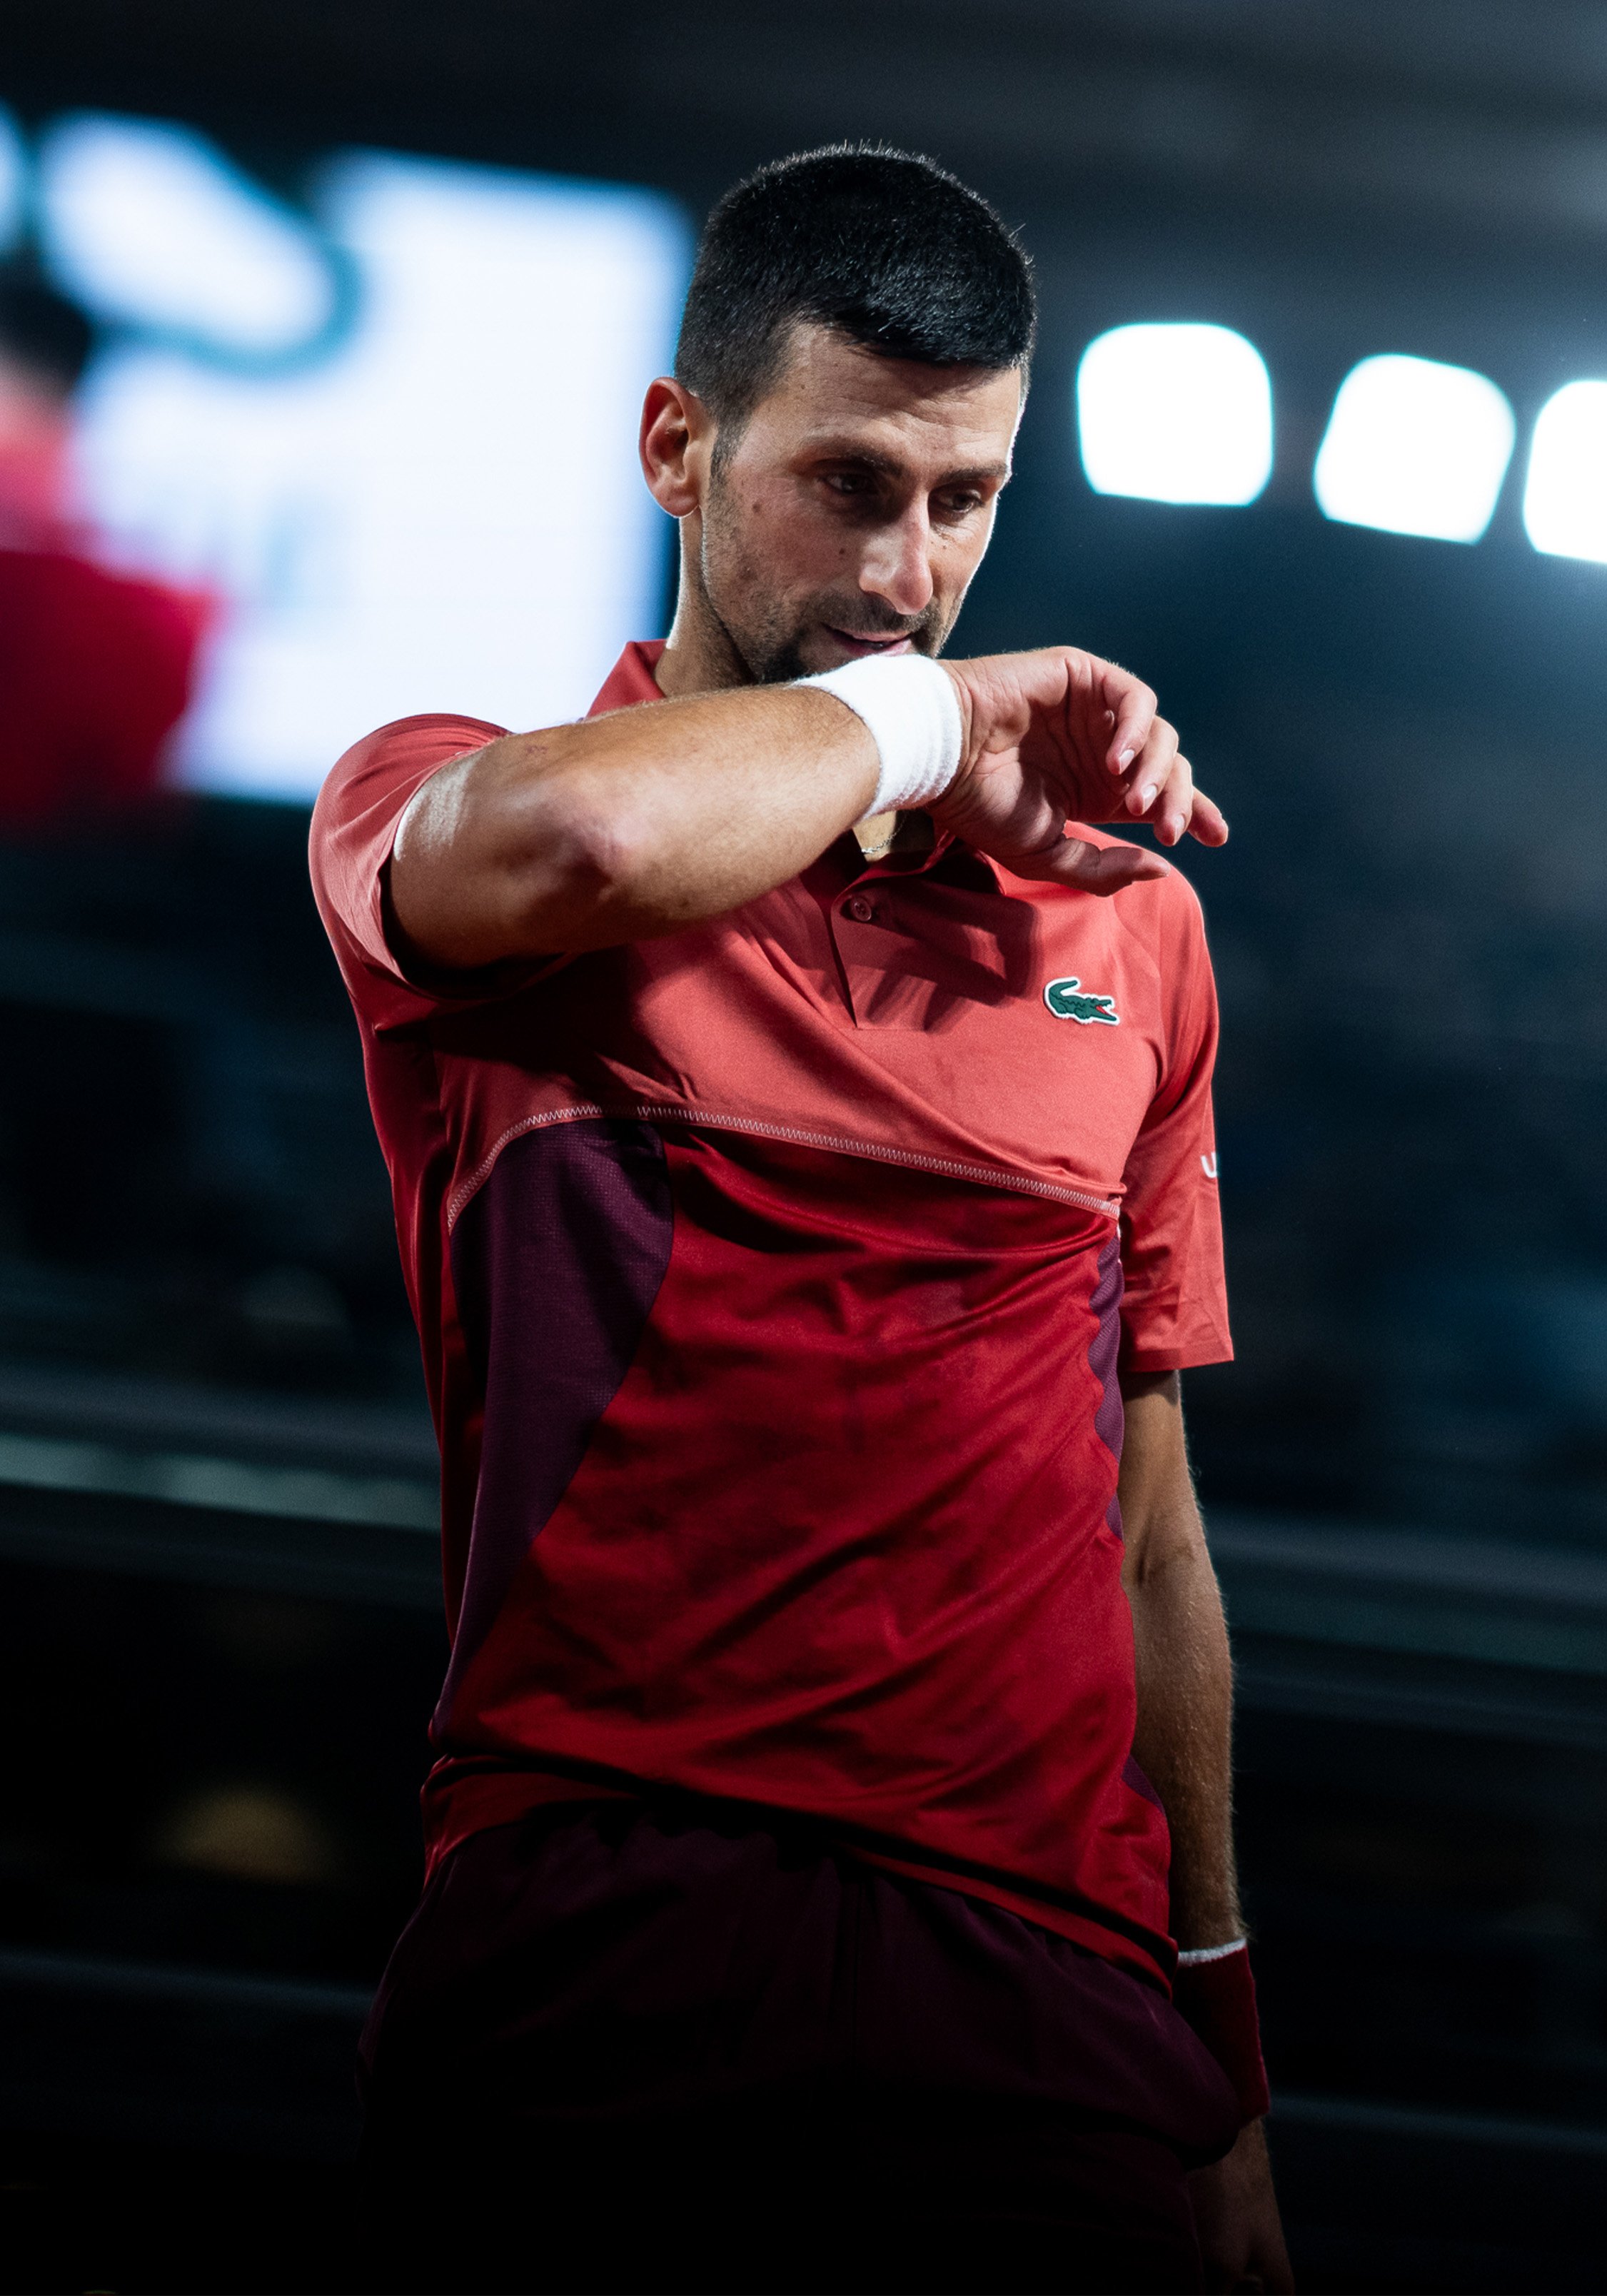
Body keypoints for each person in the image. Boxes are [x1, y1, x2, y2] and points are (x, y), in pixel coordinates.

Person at [312, 146, 1292, 2295]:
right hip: (599, 1935)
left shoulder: (1129, 932)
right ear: (676, 444)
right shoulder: (437, 784)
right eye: (845, 485)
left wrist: (1217, 2059)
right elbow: (577, 844)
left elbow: (1147, 1532)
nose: (907, 563)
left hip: (1042, 2003)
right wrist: (933, 714)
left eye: (964, 500)